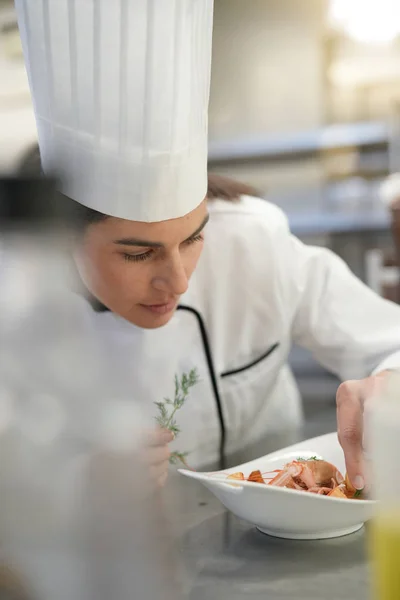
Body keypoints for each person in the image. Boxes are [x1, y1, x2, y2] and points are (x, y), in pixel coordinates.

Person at [17, 0, 400, 493]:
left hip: (280, 538)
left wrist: (390, 383)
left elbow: (391, 340)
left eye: (194, 237)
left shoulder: (251, 239)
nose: (178, 279)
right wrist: (71, 485)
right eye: (138, 253)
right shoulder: (22, 303)